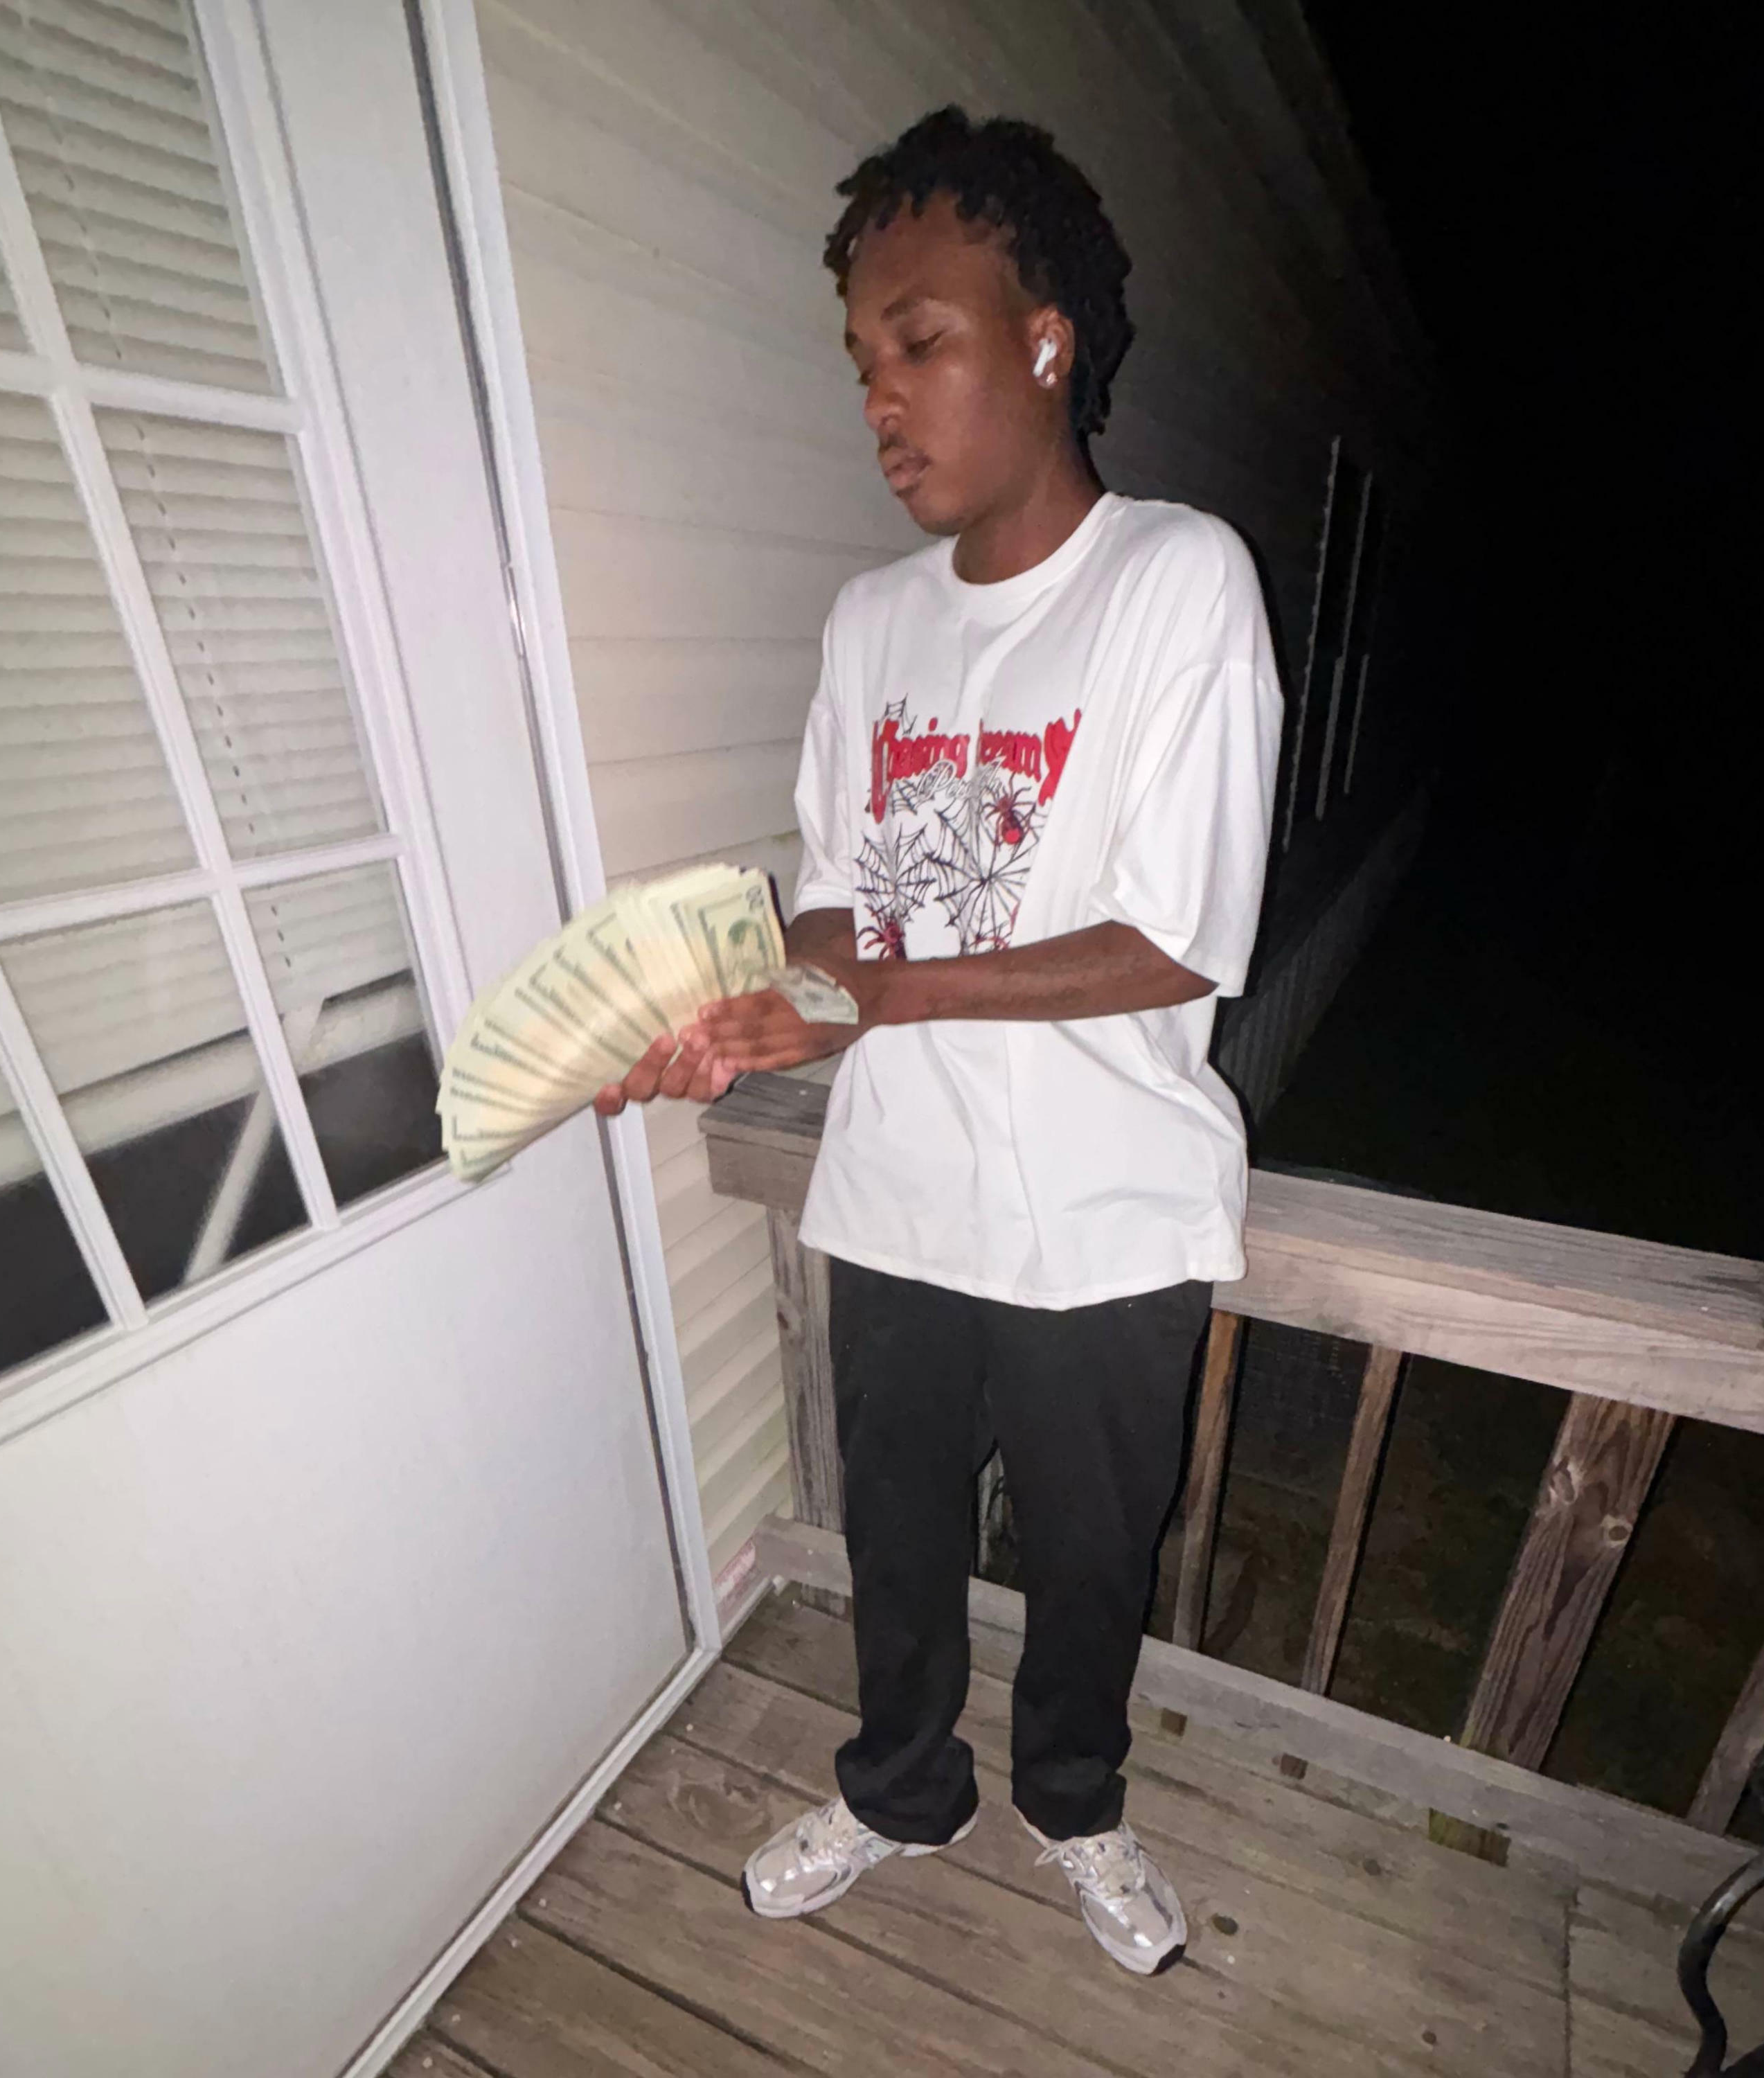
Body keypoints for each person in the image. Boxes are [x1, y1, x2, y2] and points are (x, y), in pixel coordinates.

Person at [597, 106, 1282, 1977]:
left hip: (1105, 1211)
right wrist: (744, 1003)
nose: (882, 401)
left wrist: (882, 986)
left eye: (922, 341)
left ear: (1046, 342)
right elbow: (842, 909)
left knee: (1089, 1560)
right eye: (862, 363)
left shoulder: (1176, 582)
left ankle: (1074, 1801)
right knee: (895, 1541)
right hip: (898, 1185)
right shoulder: (871, 621)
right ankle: (903, 1790)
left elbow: (1171, 938)